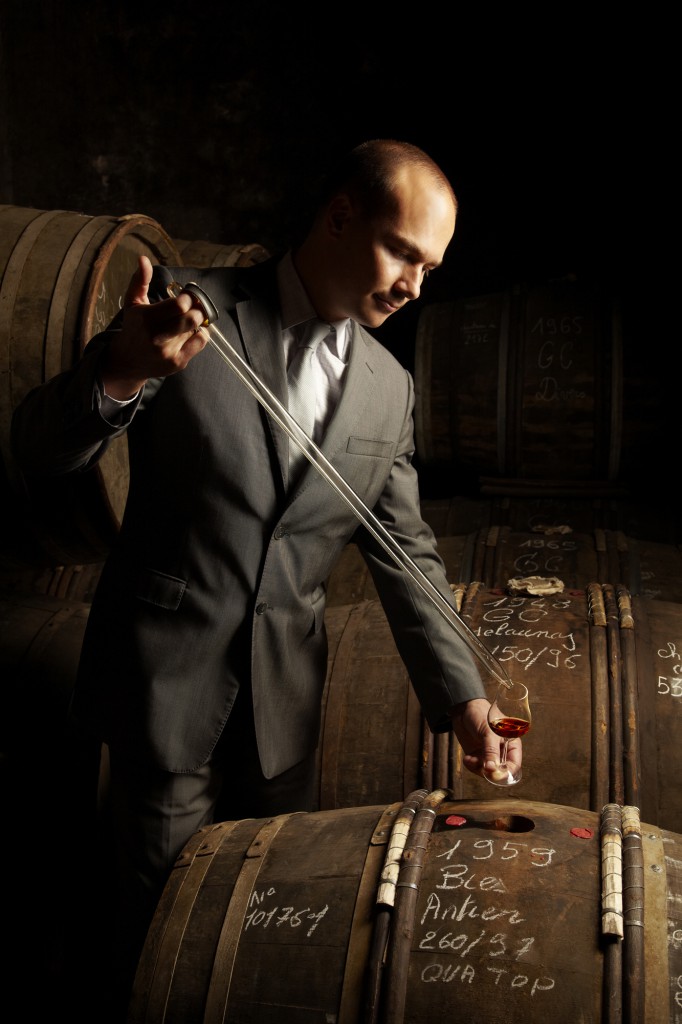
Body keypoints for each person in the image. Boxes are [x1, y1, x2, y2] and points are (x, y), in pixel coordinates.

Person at [10, 138, 522, 1017]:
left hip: (284, 717)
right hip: (164, 693)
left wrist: (465, 697)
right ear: (338, 217)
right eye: (404, 253)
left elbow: (405, 552)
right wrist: (124, 368)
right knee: (152, 941)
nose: (413, 288)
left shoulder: (386, 388)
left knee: (261, 936)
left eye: (430, 269)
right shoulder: (185, 303)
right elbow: (39, 450)